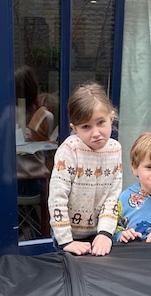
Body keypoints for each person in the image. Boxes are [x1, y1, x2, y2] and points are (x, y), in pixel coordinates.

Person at [47, 82, 123, 256]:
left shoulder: (115, 149)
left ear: (111, 118)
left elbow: (113, 195)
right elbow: (57, 197)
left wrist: (105, 233)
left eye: (101, 122)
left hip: (98, 233)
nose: (95, 132)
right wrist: (66, 241)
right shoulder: (70, 150)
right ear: (75, 129)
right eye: (86, 127)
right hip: (67, 235)